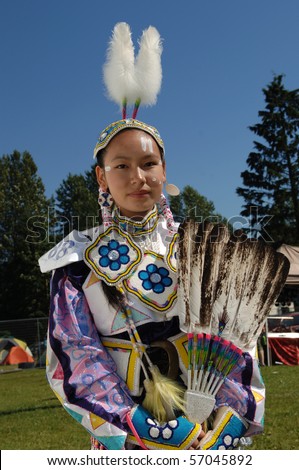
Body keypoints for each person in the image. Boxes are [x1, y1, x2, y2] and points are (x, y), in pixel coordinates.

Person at [38, 23, 266, 451]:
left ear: (165, 170)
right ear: (101, 178)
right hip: (128, 436)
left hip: (210, 432)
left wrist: (228, 420)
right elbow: (76, 358)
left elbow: (239, 338)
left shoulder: (204, 252)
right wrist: (140, 427)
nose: (138, 177)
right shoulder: (75, 262)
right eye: (121, 166)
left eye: (149, 163)